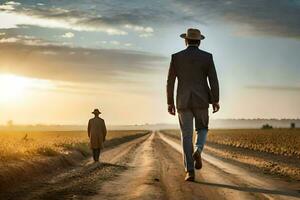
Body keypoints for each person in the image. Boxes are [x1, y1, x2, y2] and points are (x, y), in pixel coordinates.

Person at [166, 28, 220, 181]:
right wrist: (215, 99)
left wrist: (170, 102)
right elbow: (213, 80)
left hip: (183, 101)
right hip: (202, 100)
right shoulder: (207, 57)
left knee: (186, 135)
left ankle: (189, 171)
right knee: (202, 128)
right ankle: (198, 149)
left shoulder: (176, 57)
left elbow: (170, 82)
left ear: (186, 40)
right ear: (200, 42)